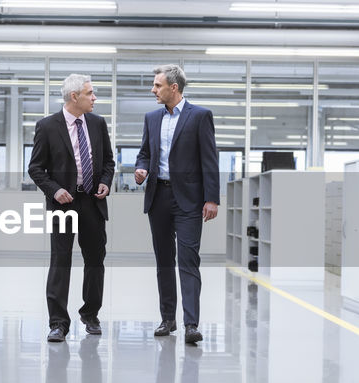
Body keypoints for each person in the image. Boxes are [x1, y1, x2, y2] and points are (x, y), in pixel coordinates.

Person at [133, 64, 220, 345]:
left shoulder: (200, 116)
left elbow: (210, 159)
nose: (153, 90)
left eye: (157, 85)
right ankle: (167, 319)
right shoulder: (152, 118)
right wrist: (141, 168)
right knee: (163, 261)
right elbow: (145, 152)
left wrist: (212, 198)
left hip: (190, 201)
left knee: (188, 260)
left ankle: (191, 323)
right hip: (158, 197)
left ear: (174, 87)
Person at [28, 73, 115, 342]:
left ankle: (90, 315)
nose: (94, 97)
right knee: (60, 261)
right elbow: (35, 168)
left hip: (92, 201)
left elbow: (109, 162)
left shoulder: (98, 123)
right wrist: (55, 190)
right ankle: (58, 323)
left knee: (95, 260)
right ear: (74, 96)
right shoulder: (47, 126)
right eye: (90, 93)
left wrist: (105, 182)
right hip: (63, 204)